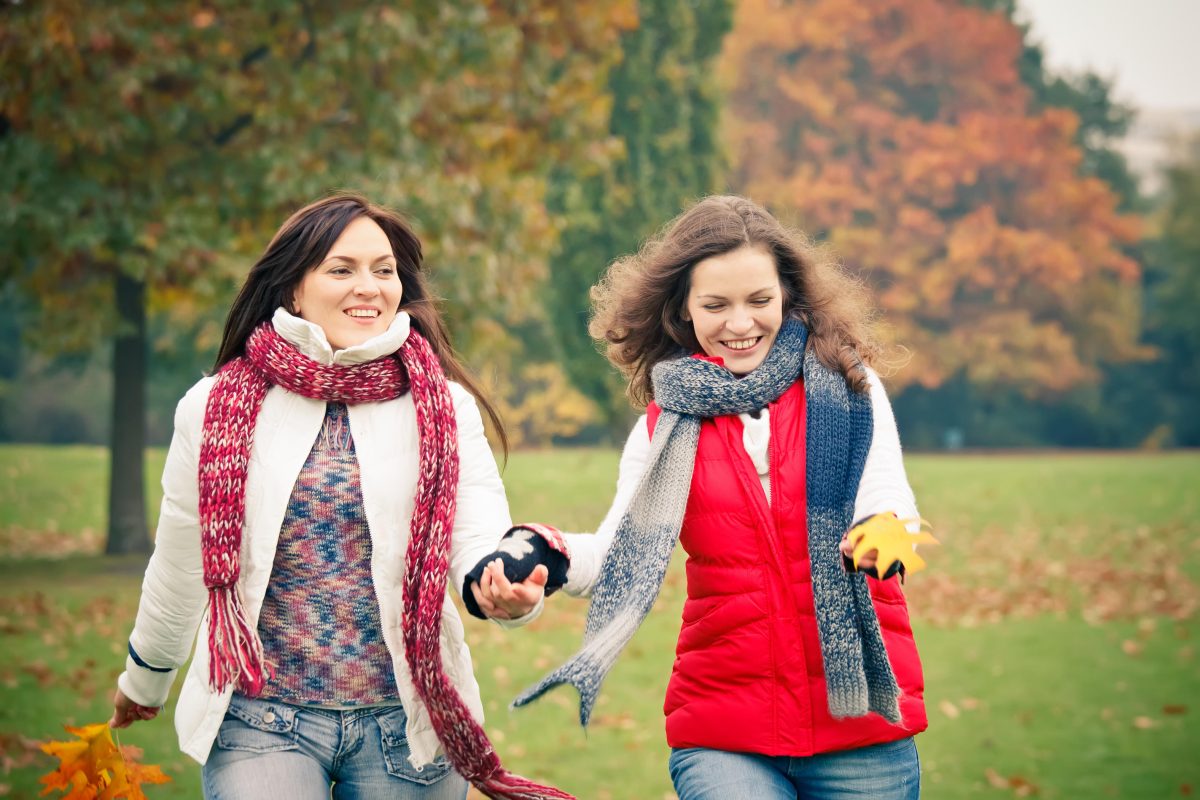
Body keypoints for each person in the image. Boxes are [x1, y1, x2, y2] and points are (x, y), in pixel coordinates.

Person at [468, 195, 928, 799]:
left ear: (787, 296)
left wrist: (881, 538)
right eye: (716, 305)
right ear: (682, 311)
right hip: (725, 731)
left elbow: (893, 508)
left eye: (759, 301)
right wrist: (536, 559)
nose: (740, 324)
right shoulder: (664, 430)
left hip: (861, 727)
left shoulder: (849, 388)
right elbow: (616, 558)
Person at [108, 193, 565, 800]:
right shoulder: (215, 407)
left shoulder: (444, 407)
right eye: (341, 269)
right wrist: (146, 678)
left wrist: (502, 591)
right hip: (261, 718)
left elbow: (477, 537)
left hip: (407, 723)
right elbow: (180, 558)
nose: (369, 287)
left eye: (384, 270)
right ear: (294, 288)